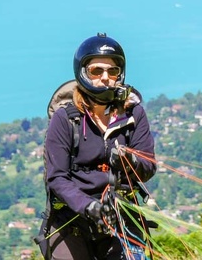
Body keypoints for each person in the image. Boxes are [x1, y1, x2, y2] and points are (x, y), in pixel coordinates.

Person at [44, 33, 157, 259]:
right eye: (97, 71)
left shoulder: (134, 114)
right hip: (72, 221)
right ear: (83, 73)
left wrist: (130, 161)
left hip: (121, 217)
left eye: (112, 71)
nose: (105, 78)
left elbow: (148, 167)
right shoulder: (66, 119)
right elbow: (57, 178)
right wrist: (89, 206)